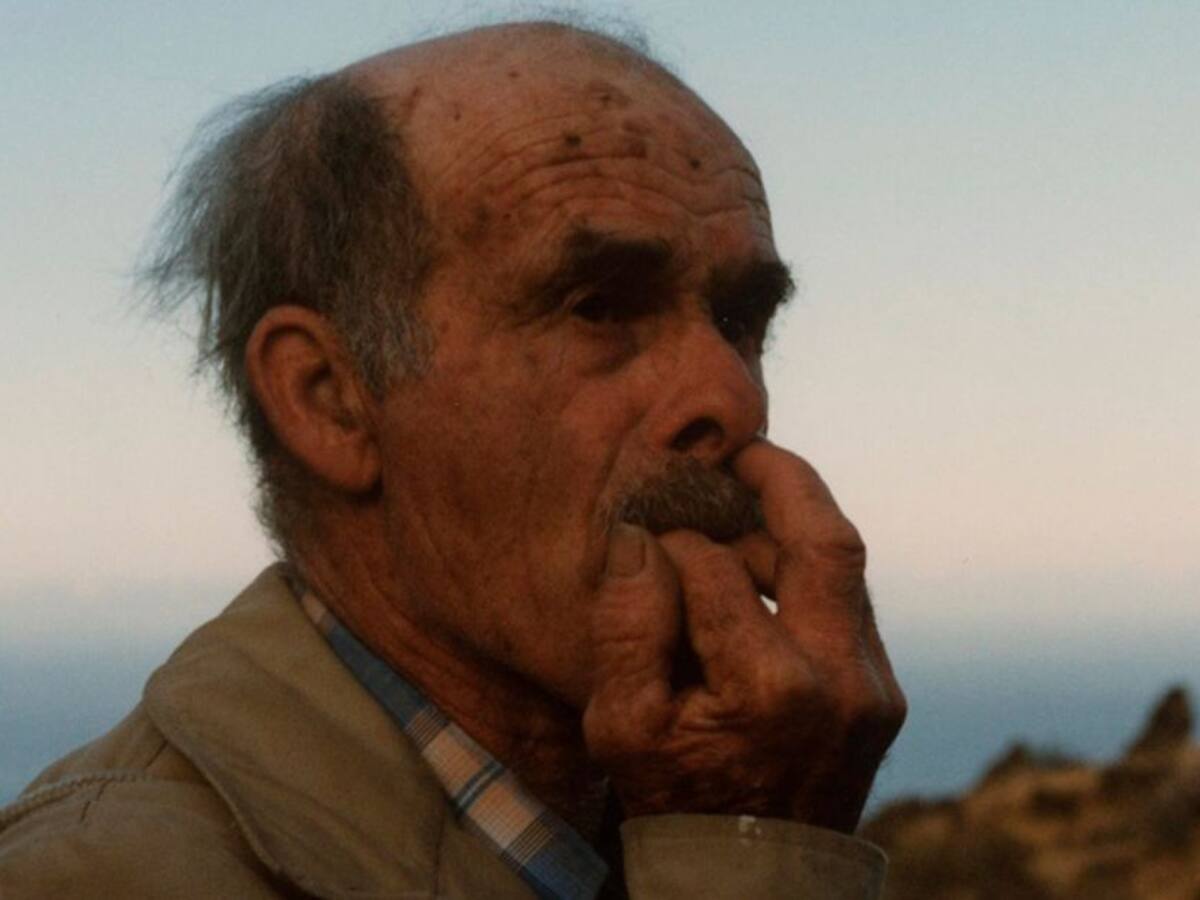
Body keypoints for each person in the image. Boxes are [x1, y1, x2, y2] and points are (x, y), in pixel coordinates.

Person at [0, 20, 905, 899]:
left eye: (741, 320)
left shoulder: (629, 809)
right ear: (328, 398)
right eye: (598, 307)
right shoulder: (97, 877)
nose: (732, 397)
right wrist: (753, 853)